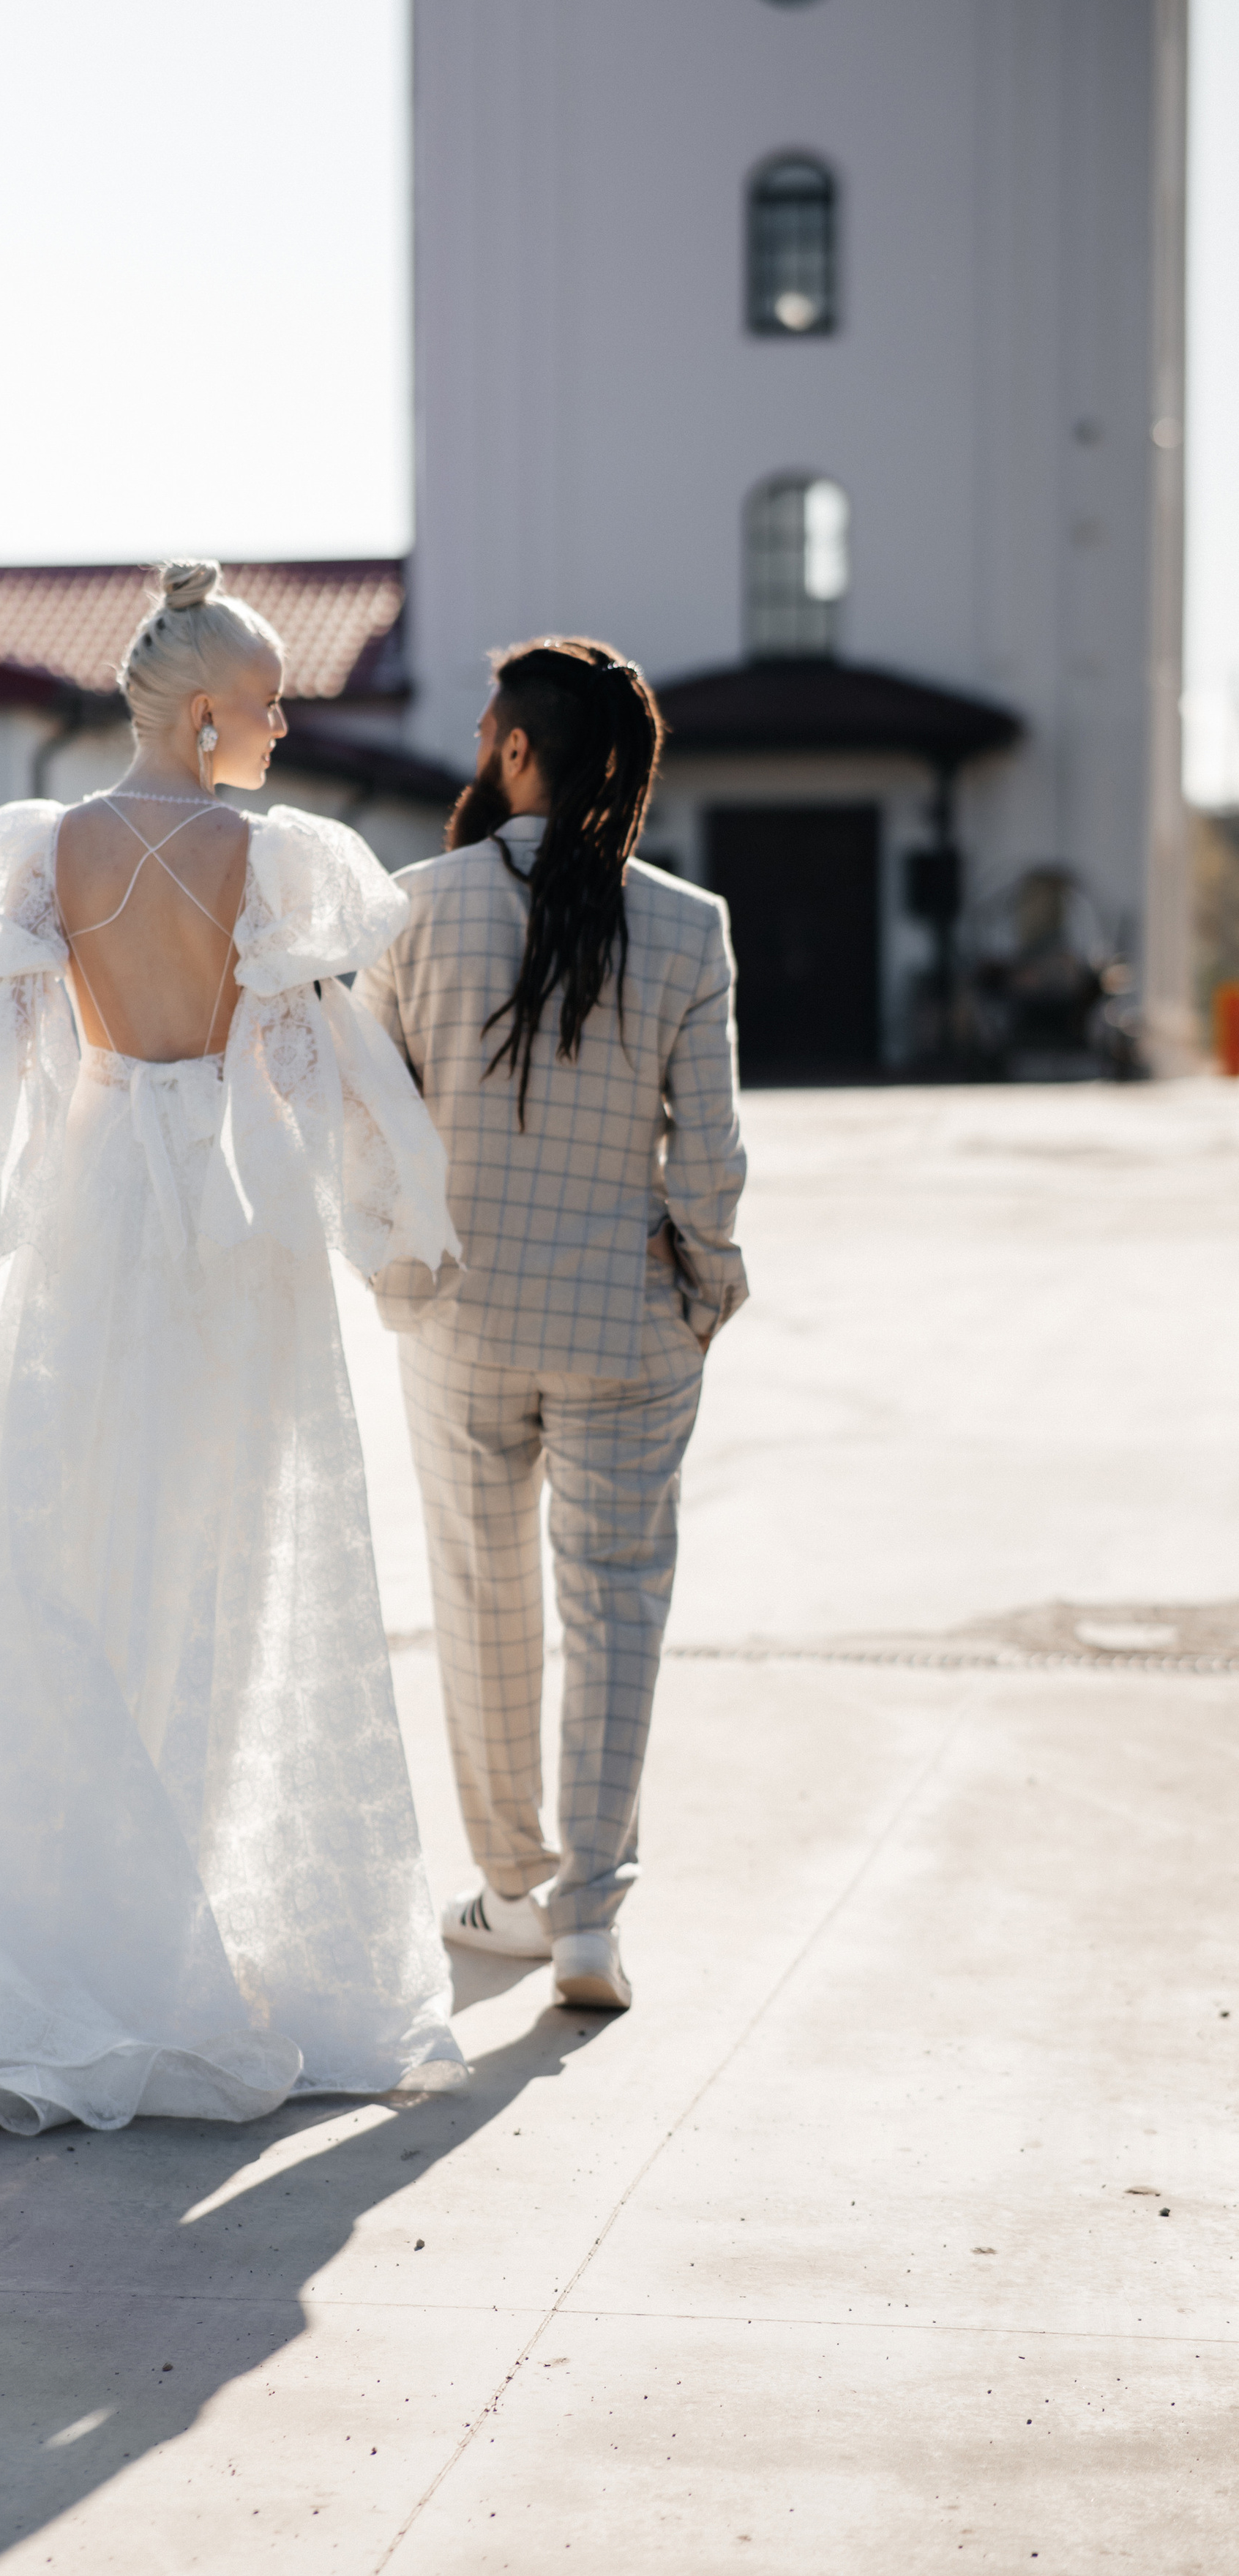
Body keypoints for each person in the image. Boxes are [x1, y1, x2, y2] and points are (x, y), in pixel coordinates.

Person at [0, 562, 465, 2138]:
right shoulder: (269, 860)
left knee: (67, 1535)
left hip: (94, 1215)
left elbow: (9, 1064)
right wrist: (390, 1214)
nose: (282, 729)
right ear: (203, 716)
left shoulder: (45, 847)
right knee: (231, 1545)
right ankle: (182, 1909)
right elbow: (314, 1069)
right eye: (268, 704)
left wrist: (0, 1211)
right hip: (230, 1234)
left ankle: (93, 1907)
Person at [353, 637, 748, 2014]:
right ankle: (590, 1925)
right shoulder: (689, 925)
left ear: (517, 751)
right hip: (626, 1323)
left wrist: (397, 1275)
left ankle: (512, 1889)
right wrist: (706, 1288)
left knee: (483, 1598)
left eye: (486, 733)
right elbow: (711, 1156)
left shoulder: (408, 909)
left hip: (459, 1318)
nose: (477, 751)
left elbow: (371, 1126)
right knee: (618, 1604)